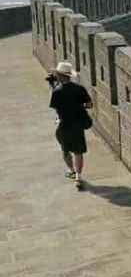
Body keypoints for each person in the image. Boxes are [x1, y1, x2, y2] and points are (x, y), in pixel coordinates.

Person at [49, 61, 92, 190]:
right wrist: (79, 106)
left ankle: (72, 171)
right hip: (77, 124)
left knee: (65, 149)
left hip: (64, 124)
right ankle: (78, 176)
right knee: (78, 151)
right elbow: (89, 104)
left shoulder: (57, 91)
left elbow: (56, 108)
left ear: (60, 76)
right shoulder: (80, 89)